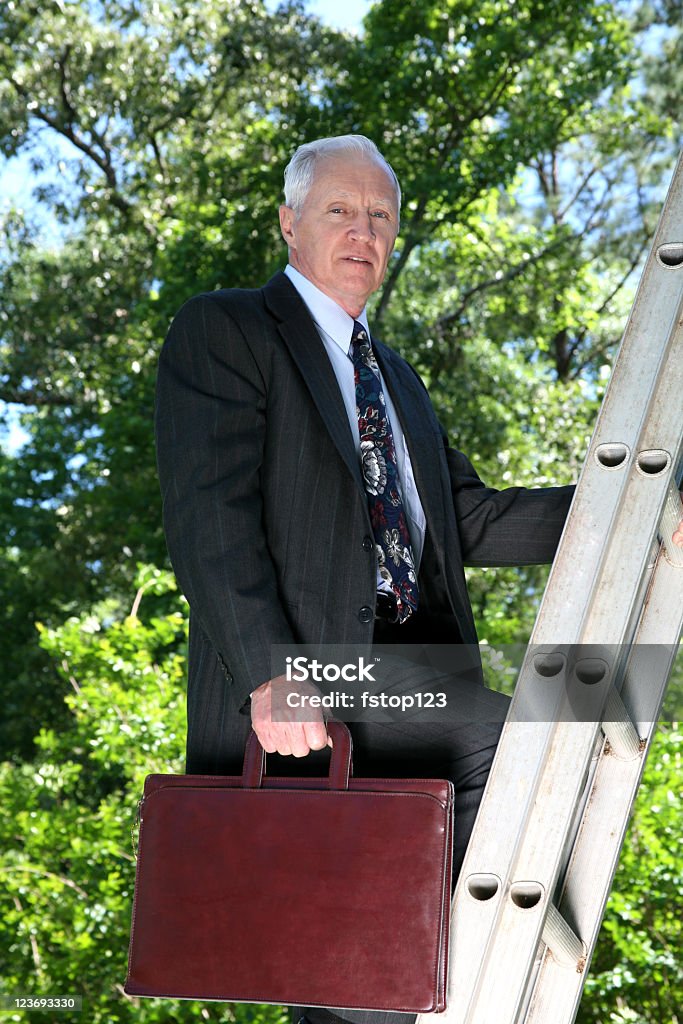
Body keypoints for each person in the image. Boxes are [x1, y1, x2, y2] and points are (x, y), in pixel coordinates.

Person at [154, 135, 683, 1024]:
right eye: (338, 211)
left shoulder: (395, 380)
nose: (362, 230)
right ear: (289, 224)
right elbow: (211, 522)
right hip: (310, 673)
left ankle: (374, 987)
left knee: (328, 967)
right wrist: (266, 671)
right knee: (531, 724)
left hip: (413, 679)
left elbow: (467, 519)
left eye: (380, 216)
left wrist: (648, 504)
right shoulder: (228, 331)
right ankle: (404, 986)